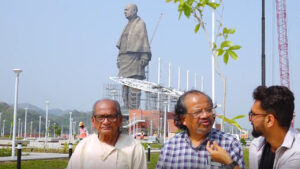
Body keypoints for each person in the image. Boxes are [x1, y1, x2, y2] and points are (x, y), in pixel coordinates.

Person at [156, 90, 245, 169]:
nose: (205, 115)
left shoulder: (229, 143)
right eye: (198, 112)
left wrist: (228, 162)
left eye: (209, 110)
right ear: (183, 119)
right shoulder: (170, 147)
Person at [67, 99, 147, 169]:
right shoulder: (83, 146)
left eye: (111, 117)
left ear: (120, 120)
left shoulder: (134, 148)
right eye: (100, 117)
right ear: (93, 121)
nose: (106, 122)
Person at [249, 85, 300, 169]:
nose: (250, 119)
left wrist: (231, 164)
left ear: (269, 120)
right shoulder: (256, 145)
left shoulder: (296, 153)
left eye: (253, 114)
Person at [116, 4, 151, 109]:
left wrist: (144, 57)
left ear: (134, 10)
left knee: (134, 89)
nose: (125, 11)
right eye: (124, 10)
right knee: (125, 90)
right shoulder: (126, 26)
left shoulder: (140, 24)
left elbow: (144, 41)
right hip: (124, 60)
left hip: (135, 60)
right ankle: (127, 111)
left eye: (127, 9)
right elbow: (121, 44)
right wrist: (119, 58)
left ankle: (134, 112)